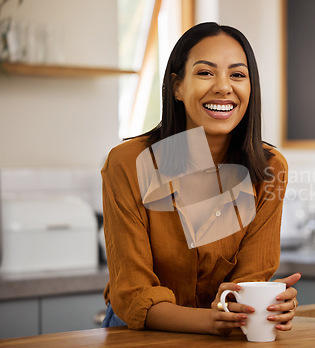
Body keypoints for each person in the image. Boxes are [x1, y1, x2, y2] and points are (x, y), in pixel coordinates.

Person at [101, 22, 300, 335]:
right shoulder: (128, 164)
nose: (223, 87)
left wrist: (267, 304)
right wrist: (215, 320)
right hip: (138, 334)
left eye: (237, 74)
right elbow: (133, 294)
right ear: (177, 86)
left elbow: (249, 282)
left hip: (224, 333)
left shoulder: (269, 170)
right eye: (206, 72)